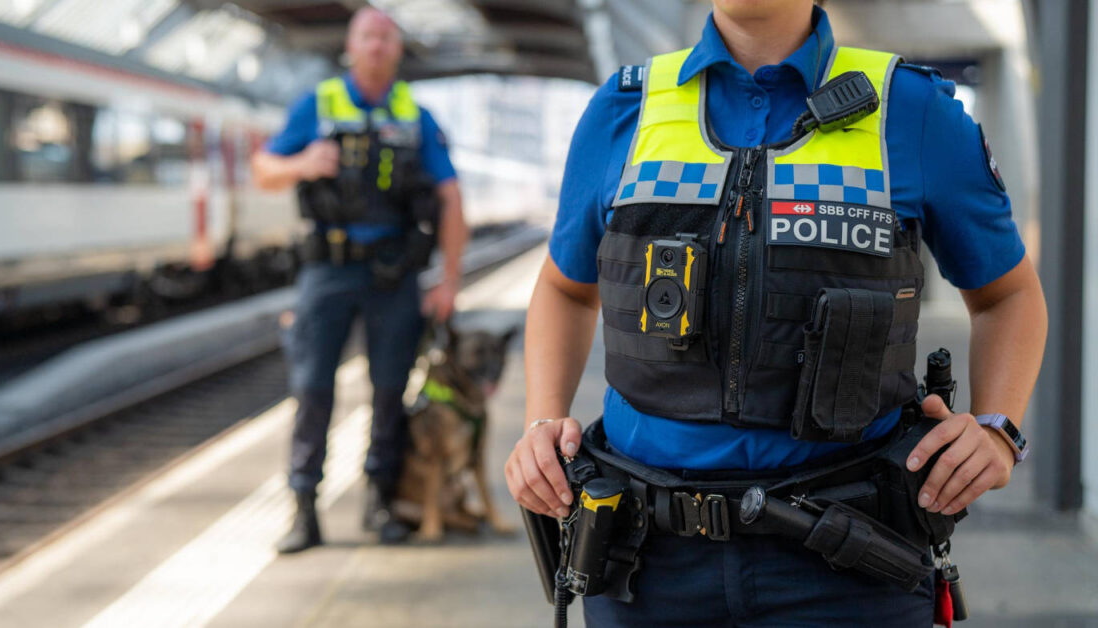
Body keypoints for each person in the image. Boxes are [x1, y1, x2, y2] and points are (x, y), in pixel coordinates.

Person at [507, 0, 1047, 625]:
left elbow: (1008, 295)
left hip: (849, 565)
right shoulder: (623, 110)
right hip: (645, 569)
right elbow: (565, 289)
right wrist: (540, 422)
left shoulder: (912, 111)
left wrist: (997, 430)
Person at [252, 7, 467, 554]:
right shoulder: (318, 105)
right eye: (368, 36)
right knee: (312, 388)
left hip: (394, 274)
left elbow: (449, 199)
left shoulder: (415, 116)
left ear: (398, 51)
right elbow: (263, 169)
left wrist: (449, 281)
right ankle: (304, 509)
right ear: (352, 47)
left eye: (386, 38)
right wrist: (302, 163)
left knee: (390, 389)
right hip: (327, 270)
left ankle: (379, 501)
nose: (376, 46)